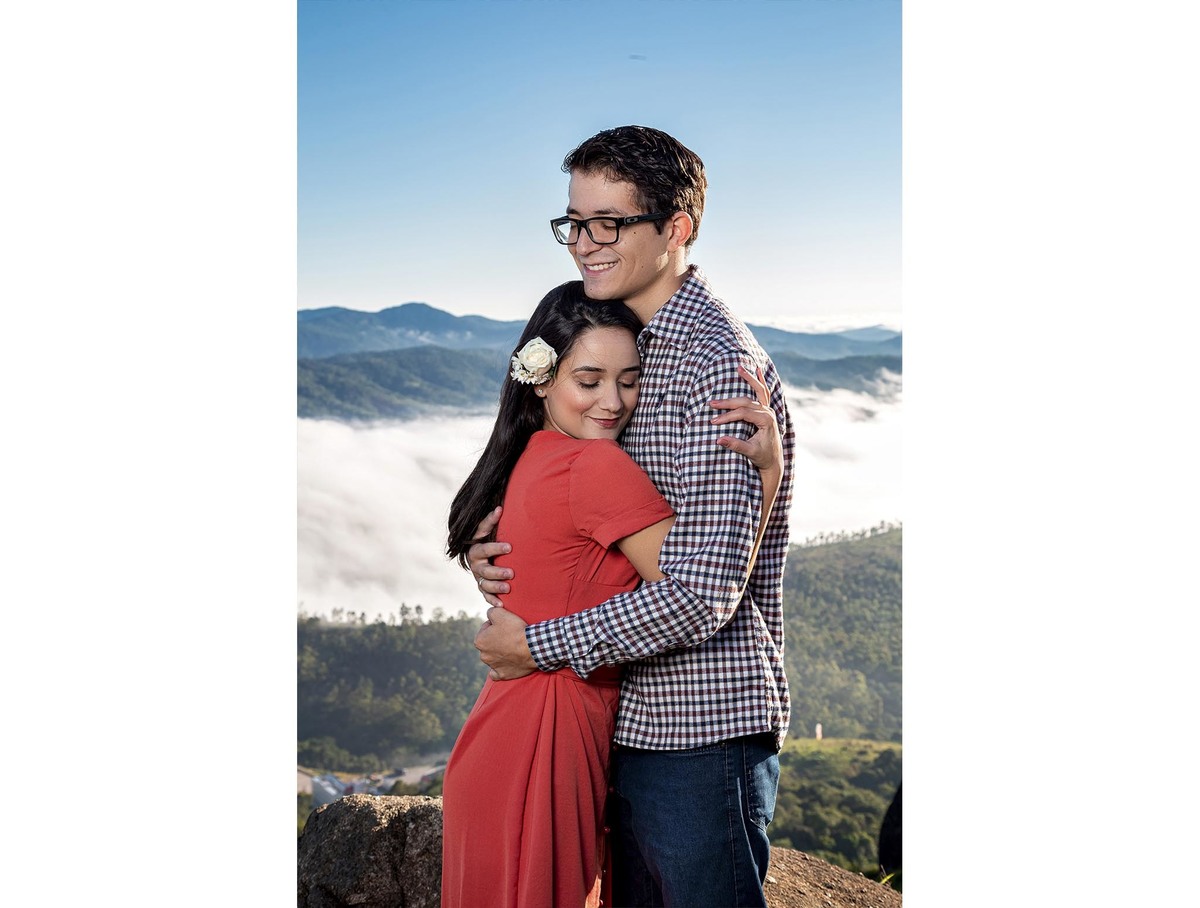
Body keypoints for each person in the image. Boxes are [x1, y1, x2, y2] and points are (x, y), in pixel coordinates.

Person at [469, 125, 797, 908]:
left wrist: (536, 644)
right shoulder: (636, 341)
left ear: (676, 230)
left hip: (699, 732)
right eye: (575, 222)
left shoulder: (714, 364)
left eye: (608, 223)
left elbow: (699, 594)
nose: (584, 243)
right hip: (627, 720)